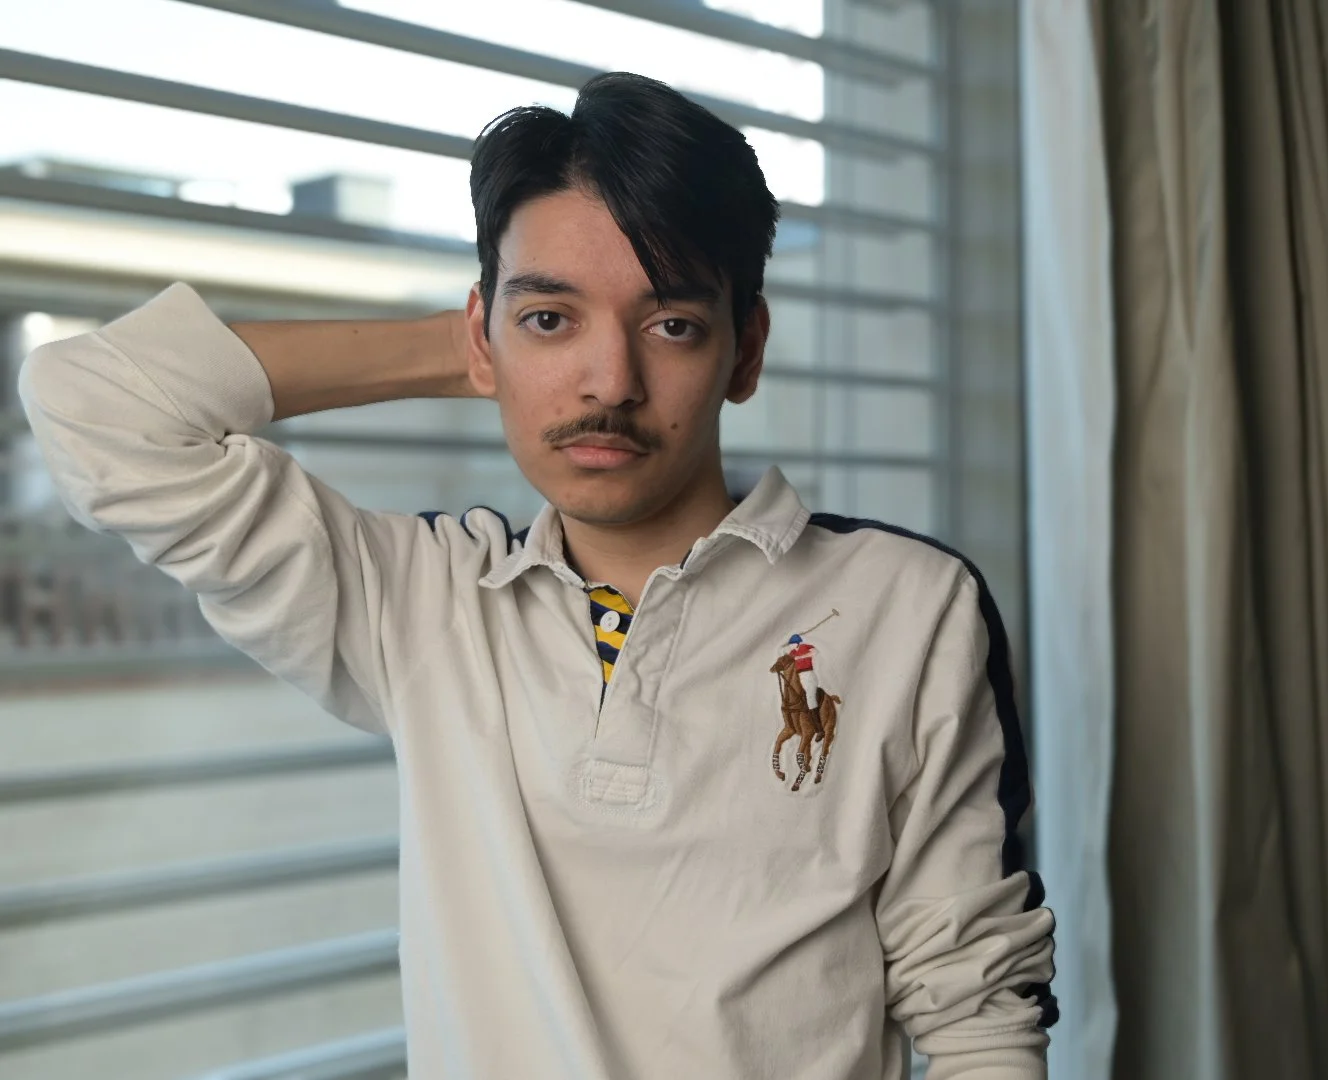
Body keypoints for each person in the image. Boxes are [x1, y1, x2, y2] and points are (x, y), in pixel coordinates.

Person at [18, 72, 1056, 1080]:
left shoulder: (905, 604)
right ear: (484, 334)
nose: (609, 383)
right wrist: (473, 347)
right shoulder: (420, 603)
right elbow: (93, 402)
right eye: (551, 321)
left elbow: (977, 1008)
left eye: (673, 324)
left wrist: (529, 331)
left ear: (746, 351)